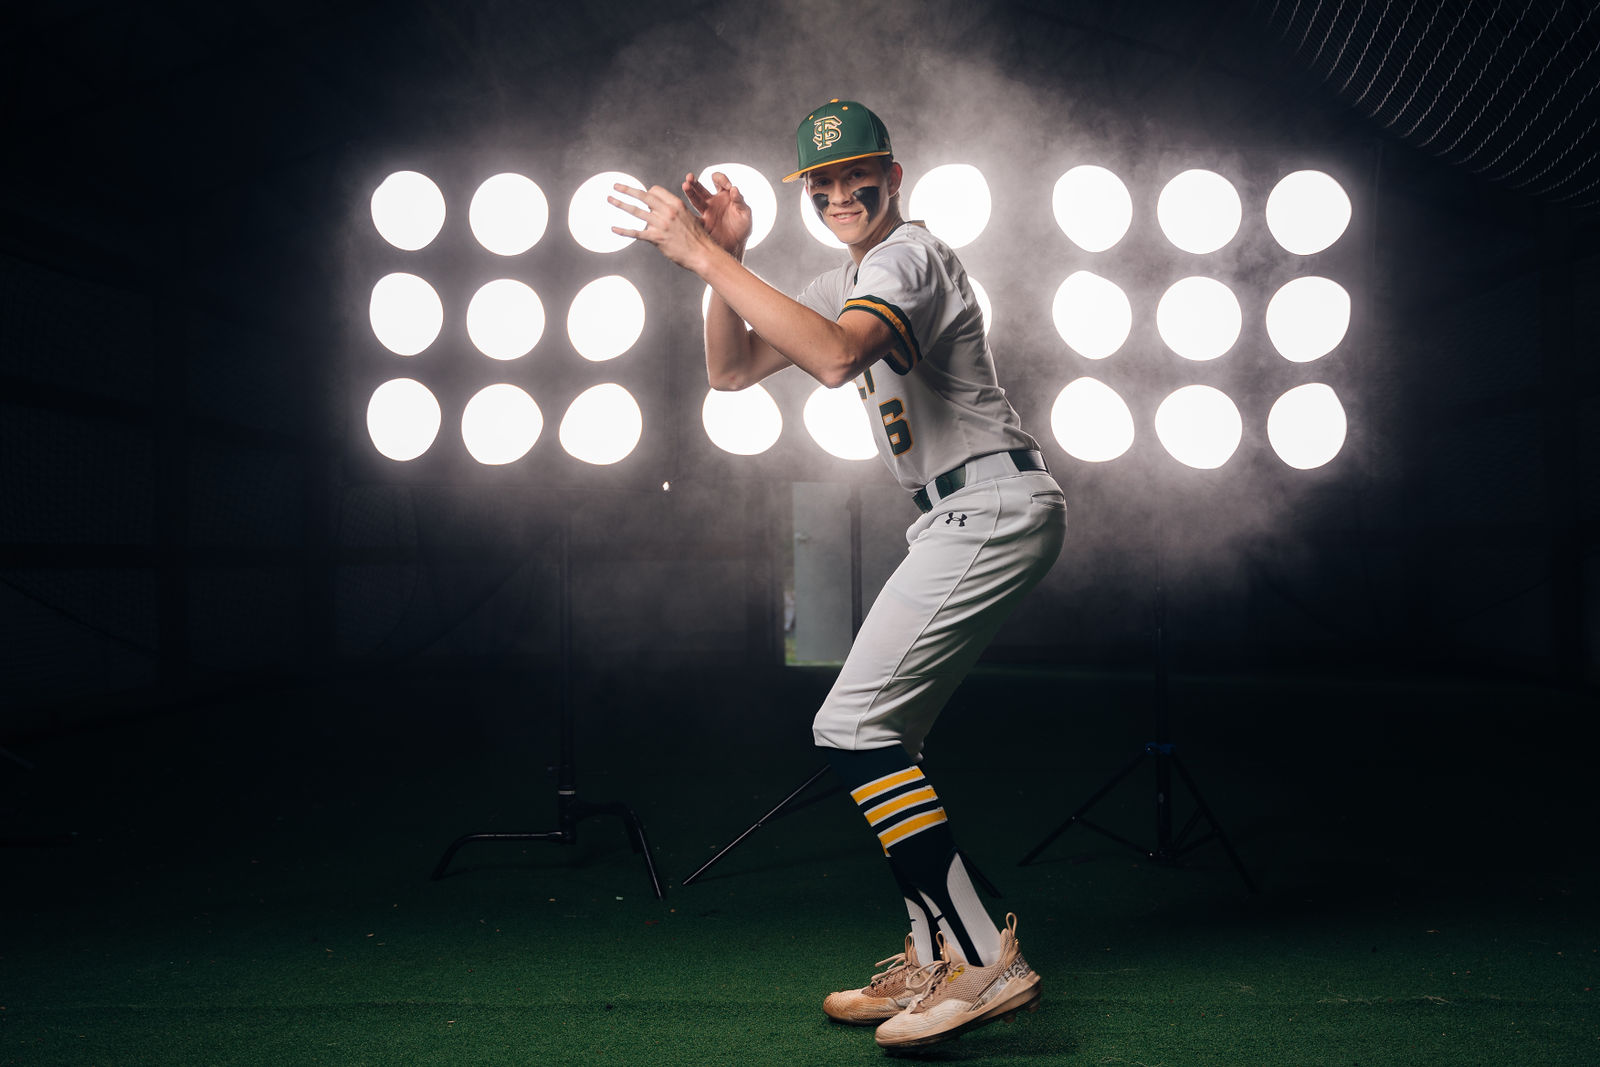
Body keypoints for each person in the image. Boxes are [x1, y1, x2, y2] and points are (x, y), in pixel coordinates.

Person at [610, 98, 1067, 1051]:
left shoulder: (907, 258)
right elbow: (730, 373)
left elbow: (831, 357)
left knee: (853, 724)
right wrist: (724, 259)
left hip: (989, 506)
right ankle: (934, 954)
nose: (841, 191)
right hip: (958, 512)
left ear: (894, 176)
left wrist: (704, 251)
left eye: (859, 173)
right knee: (881, 732)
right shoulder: (849, 271)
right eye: (821, 181)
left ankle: (986, 958)